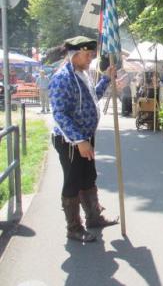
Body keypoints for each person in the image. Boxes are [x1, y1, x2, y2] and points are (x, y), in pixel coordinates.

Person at [49, 36, 118, 243]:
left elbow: (91, 99)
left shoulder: (82, 74)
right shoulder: (63, 78)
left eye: (91, 55)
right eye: (87, 55)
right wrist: (79, 140)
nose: (90, 59)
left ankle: (94, 218)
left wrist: (106, 79)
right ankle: (74, 228)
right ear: (74, 54)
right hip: (70, 141)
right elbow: (60, 113)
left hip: (85, 138)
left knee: (89, 177)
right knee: (73, 182)